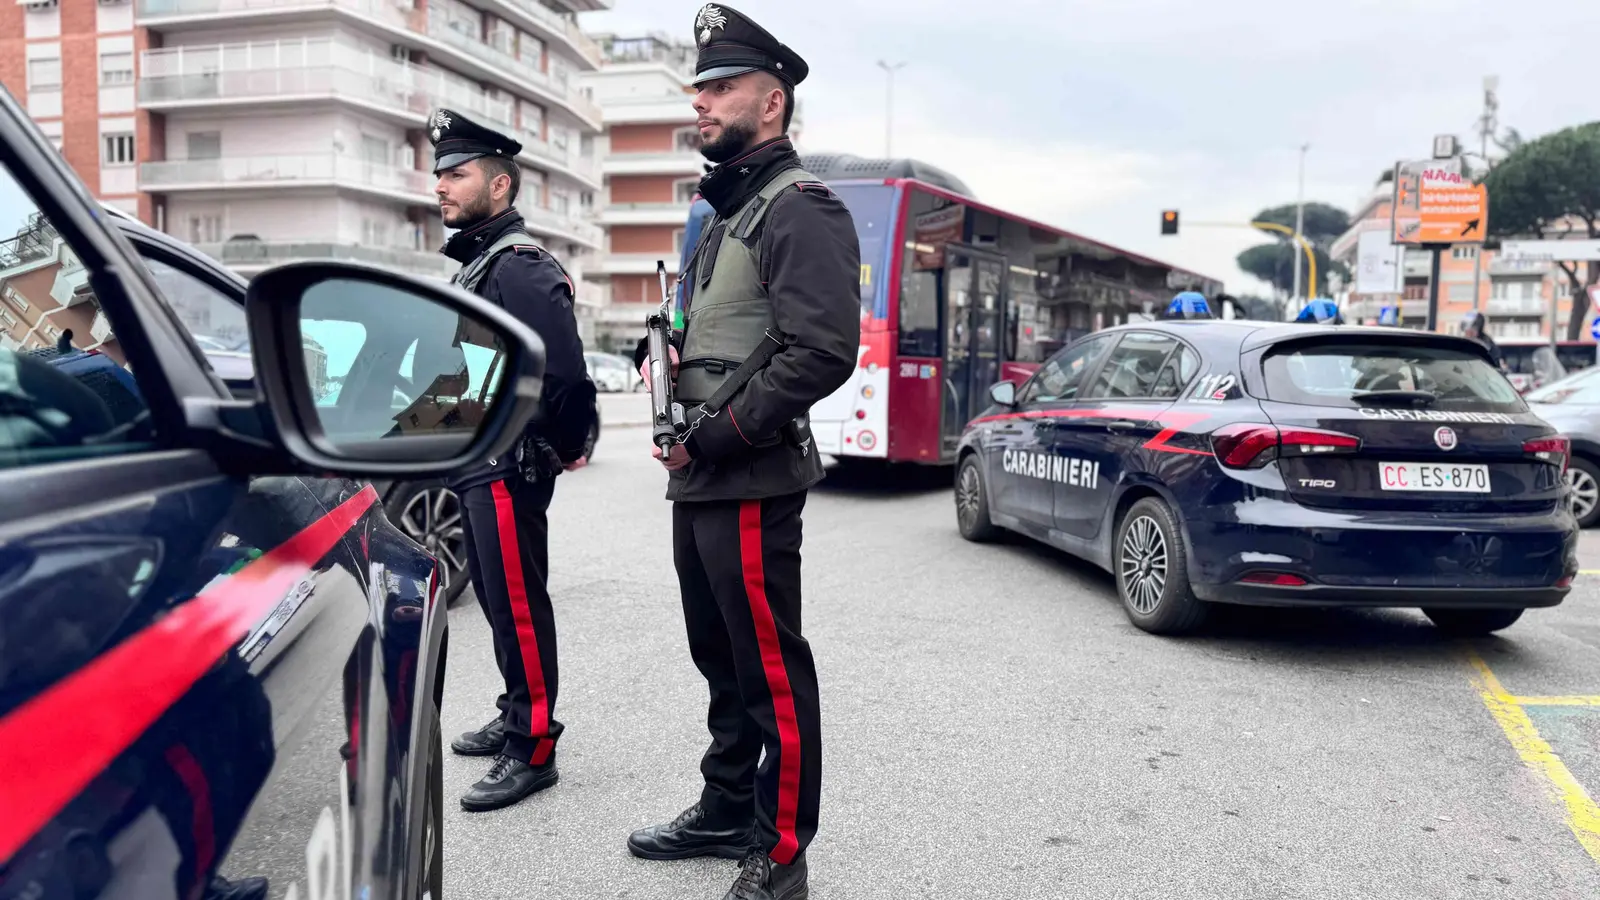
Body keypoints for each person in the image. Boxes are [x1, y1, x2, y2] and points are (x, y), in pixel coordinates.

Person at [626, 6, 861, 898]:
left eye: (719, 88)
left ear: (771, 103)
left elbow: (821, 351)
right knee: (718, 655)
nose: (701, 103)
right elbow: (720, 330)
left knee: (769, 665)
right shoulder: (727, 214)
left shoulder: (800, 208)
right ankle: (726, 807)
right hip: (703, 474)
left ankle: (782, 851)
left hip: (749, 472)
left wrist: (716, 435)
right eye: (699, 88)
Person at [426, 107, 595, 812]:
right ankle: (513, 708)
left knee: (518, 604)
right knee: (496, 599)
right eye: (438, 173)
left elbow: (565, 376)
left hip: (508, 465)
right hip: (481, 463)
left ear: (499, 186)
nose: (441, 186)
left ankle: (534, 746)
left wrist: (559, 447)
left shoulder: (519, 267)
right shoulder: (480, 267)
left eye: (456, 174)